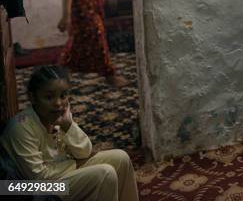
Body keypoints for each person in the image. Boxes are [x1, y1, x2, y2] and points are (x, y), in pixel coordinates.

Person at [0, 65, 139, 201]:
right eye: (49, 97)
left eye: (63, 95)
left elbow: (84, 153)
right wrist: (75, 164)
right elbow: (40, 178)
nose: (58, 103)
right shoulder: (21, 127)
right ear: (32, 97)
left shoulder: (59, 117)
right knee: (104, 173)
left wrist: (68, 126)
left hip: (55, 175)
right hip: (23, 188)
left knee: (121, 158)